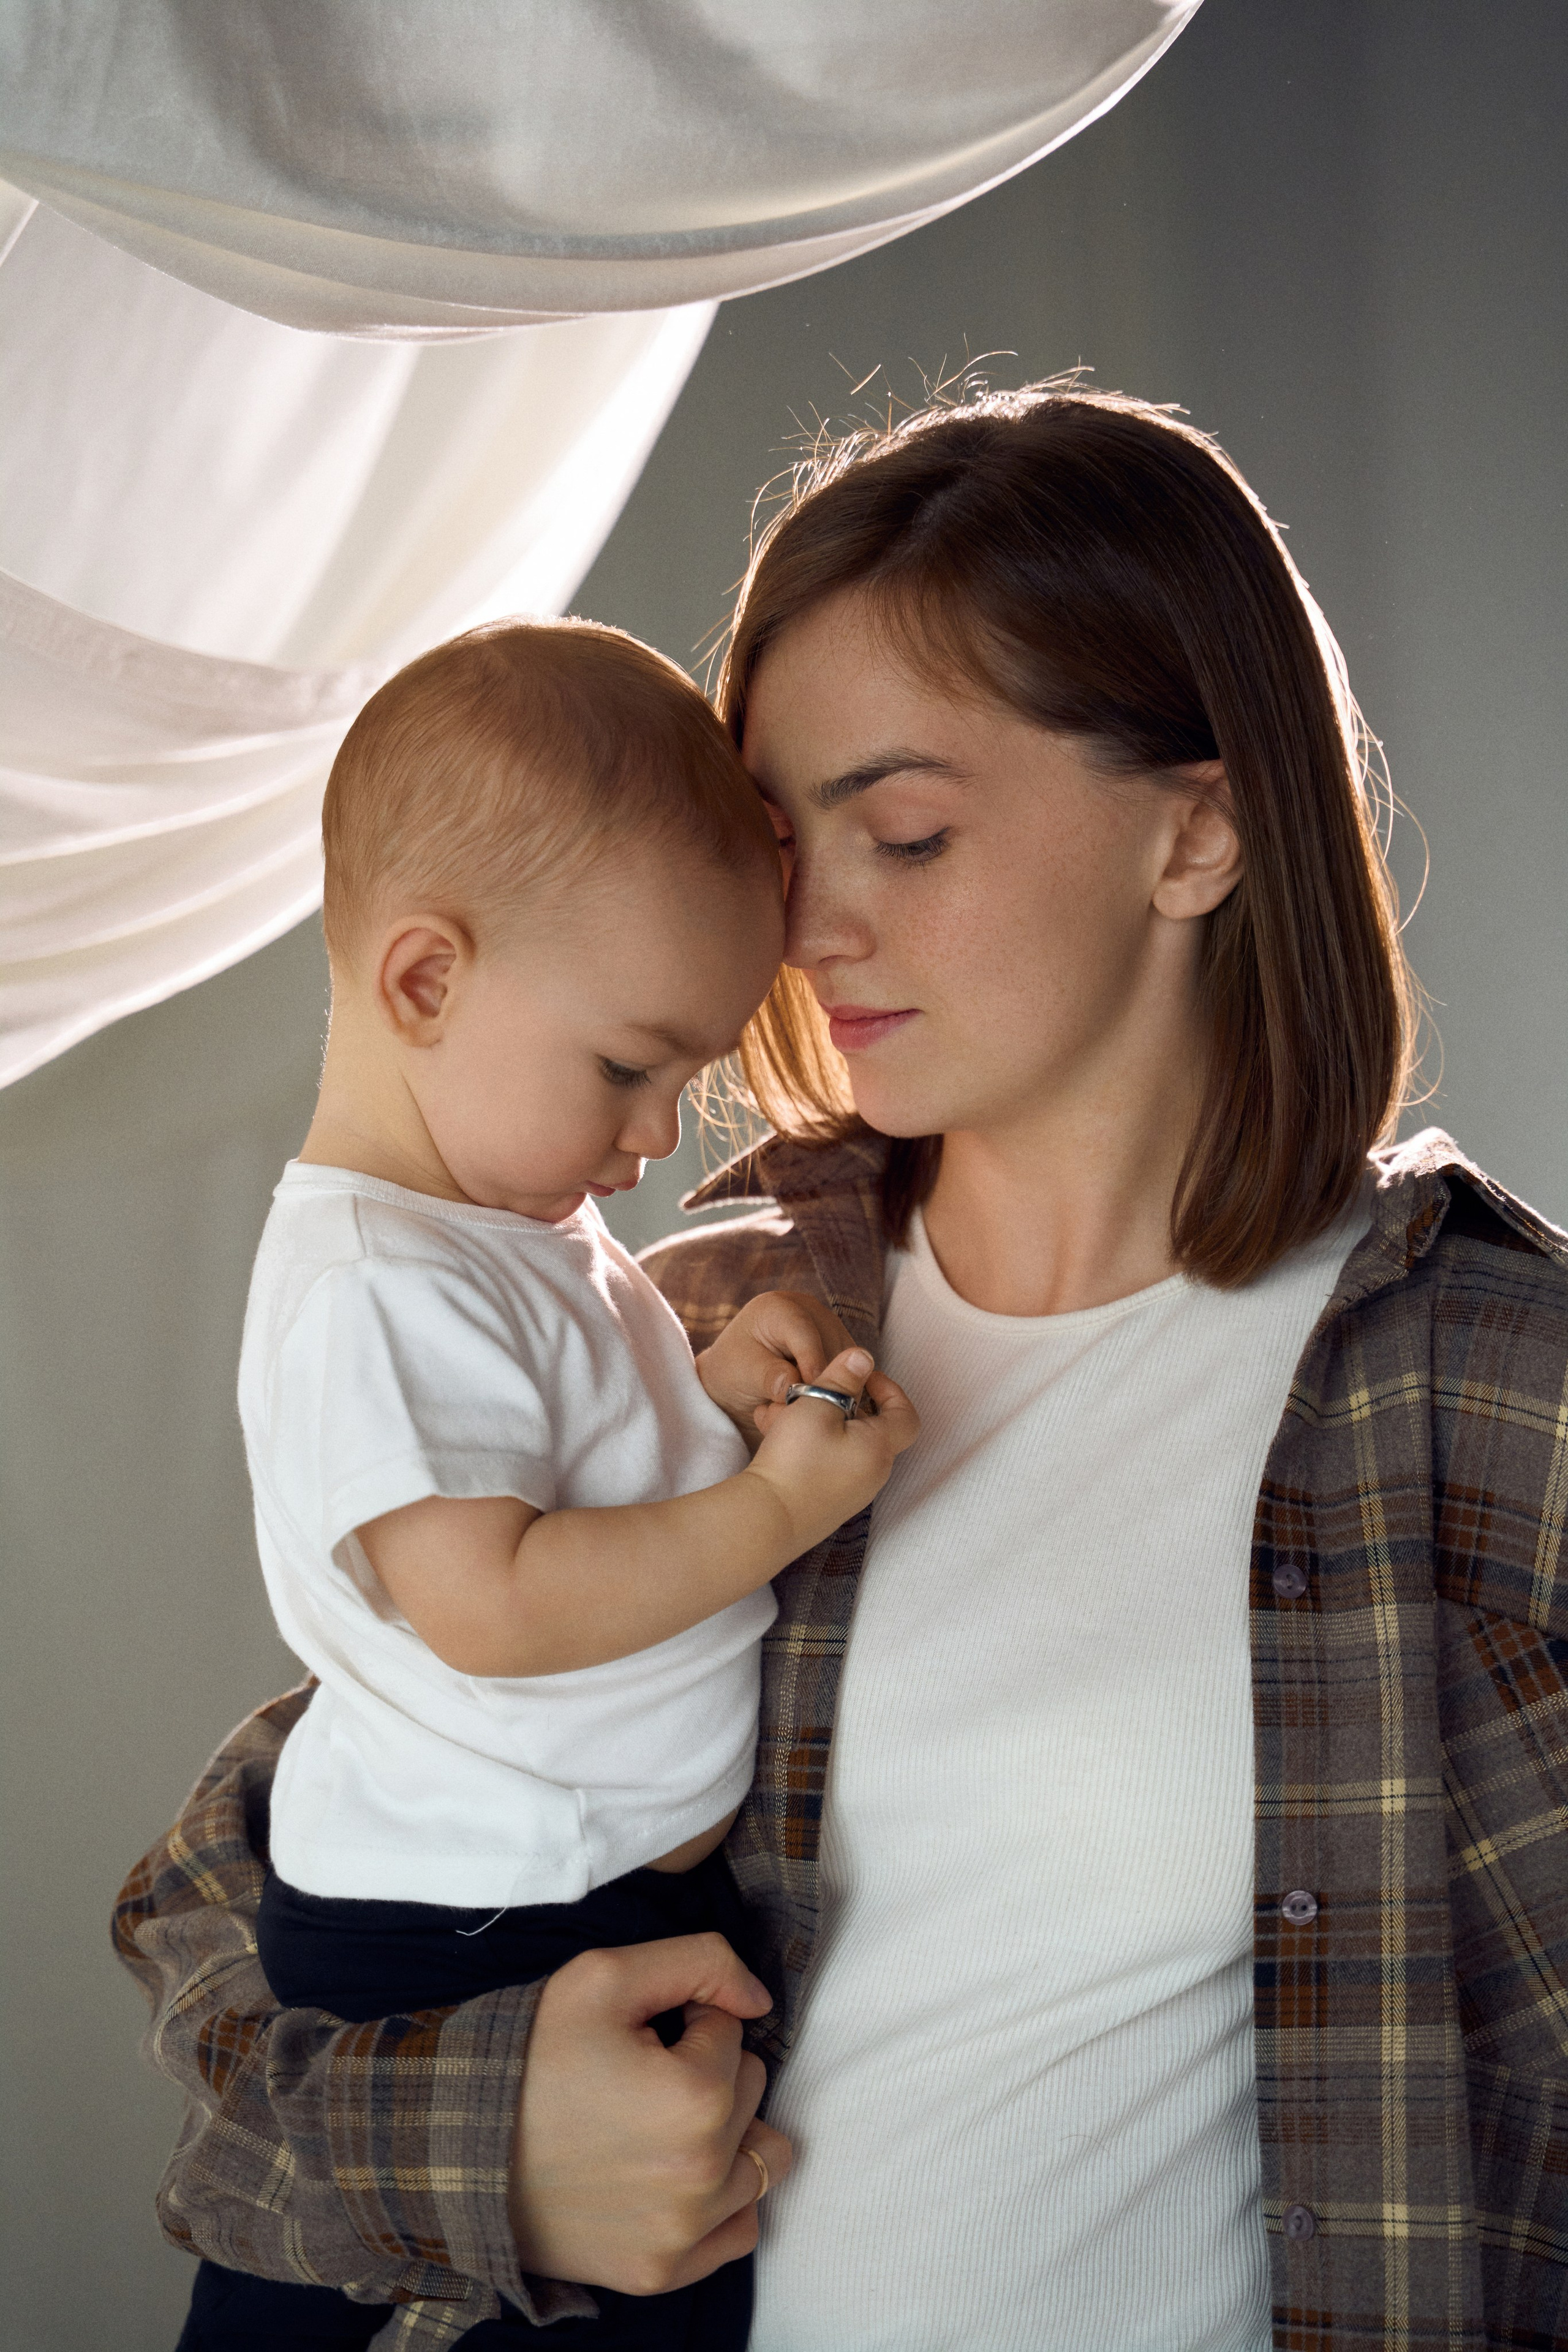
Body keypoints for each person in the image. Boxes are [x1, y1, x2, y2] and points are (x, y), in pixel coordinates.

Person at [116, 383, 1568, 2351]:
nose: (809, 925)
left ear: (1201, 832)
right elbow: (223, 1907)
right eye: (783, 843)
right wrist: (498, 2148)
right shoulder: (729, 1308)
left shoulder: (1490, 1397)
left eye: (905, 829)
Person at [170, 617, 916, 2351]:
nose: (660, 1136)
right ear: (426, 981)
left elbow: (586, 1469)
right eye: (628, 1067)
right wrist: (773, 1514)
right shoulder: (375, 1284)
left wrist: (718, 1402)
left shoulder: (512, 1226)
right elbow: (492, 1603)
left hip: (577, 1905)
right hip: (459, 1943)